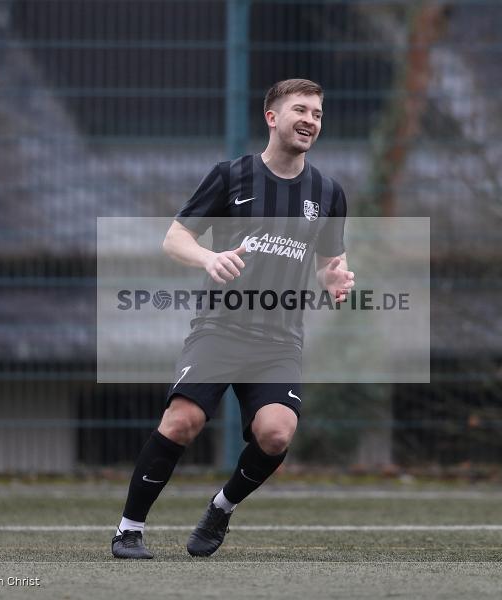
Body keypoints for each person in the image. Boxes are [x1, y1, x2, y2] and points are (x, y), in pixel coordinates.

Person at [112, 78, 355, 559]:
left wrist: (335, 280)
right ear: (272, 117)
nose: (311, 120)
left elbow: (333, 261)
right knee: (183, 422)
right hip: (220, 328)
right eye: (300, 110)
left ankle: (221, 508)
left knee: (277, 433)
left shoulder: (328, 192)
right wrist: (207, 257)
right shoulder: (230, 176)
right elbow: (174, 238)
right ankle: (129, 530)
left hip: (279, 339)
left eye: (318, 114)